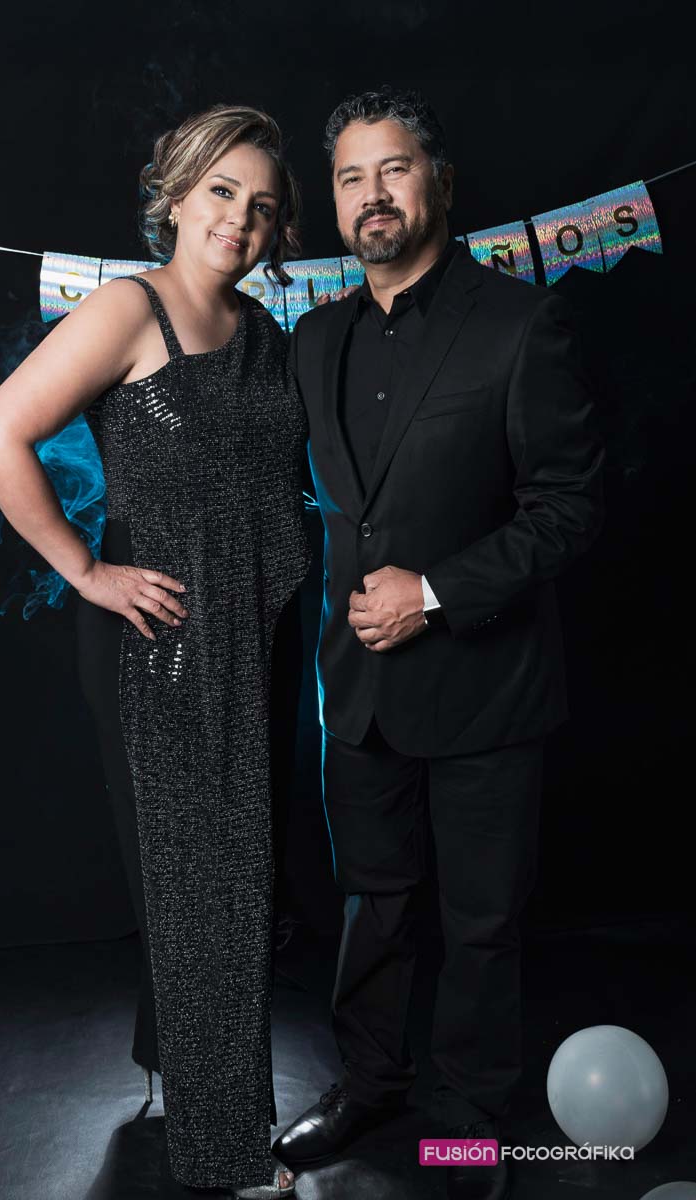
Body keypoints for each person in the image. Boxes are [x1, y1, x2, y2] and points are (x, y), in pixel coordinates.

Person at [0, 104, 311, 1199]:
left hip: (257, 641)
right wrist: (83, 568)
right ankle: (224, 1150)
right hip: (159, 648)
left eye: (261, 206)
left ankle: (176, 1064)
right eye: (221, 191)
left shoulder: (265, 333)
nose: (238, 219)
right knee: (209, 889)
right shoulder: (128, 308)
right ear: (177, 195)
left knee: (237, 879)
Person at [274, 86, 605, 1200]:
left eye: (393, 169)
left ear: (439, 183)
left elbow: (567, 507)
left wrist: (434, 591)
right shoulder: (312, 338)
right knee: (370, 904)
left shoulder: (519, 323)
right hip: (358, 691)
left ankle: (463, 1127)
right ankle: (369, 1084)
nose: (371, 195)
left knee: (479, 924)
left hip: (486, 689)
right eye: (349, 177)